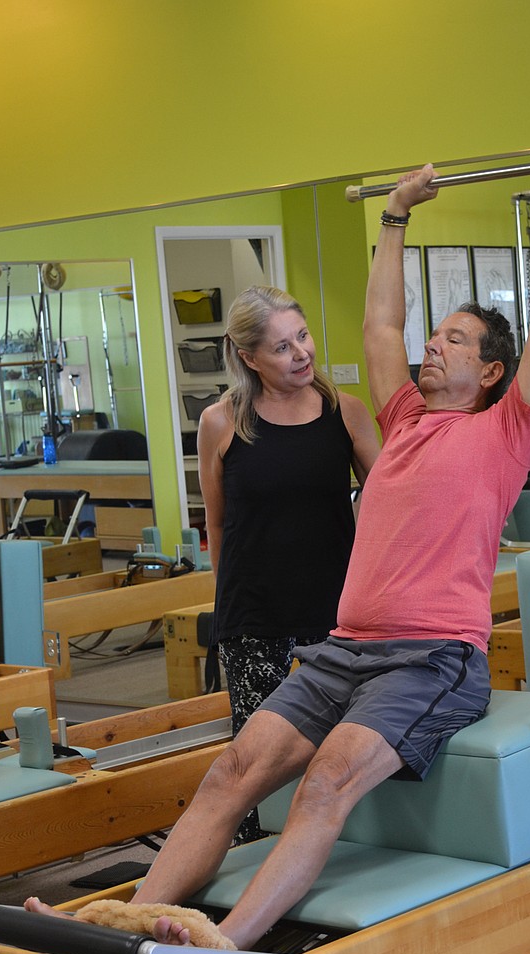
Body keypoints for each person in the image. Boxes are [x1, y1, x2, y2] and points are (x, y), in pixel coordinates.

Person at [26, 147, 530, 951]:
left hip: (431, 659)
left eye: (456, 341)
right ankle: (119, 926)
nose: (433, 345)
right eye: (436, 334)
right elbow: (380, 323)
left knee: (325, 780)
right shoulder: (400, 417)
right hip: (341, 652)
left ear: (492, 370)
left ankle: (228, 946)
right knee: (231, 772)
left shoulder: (508, 430)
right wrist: (395, 214)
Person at [198, 285, 380, 842]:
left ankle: (327, 857)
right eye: (282, 347)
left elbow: (388, 500)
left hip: (336, 611)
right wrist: (228, 605)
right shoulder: (221, 422)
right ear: (248, 357)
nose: (301, 353)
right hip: (255, 614)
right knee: (256, 758)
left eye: (303, 336)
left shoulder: (345, 412)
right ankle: (250, 868)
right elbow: (219, 523)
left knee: (336, 747)